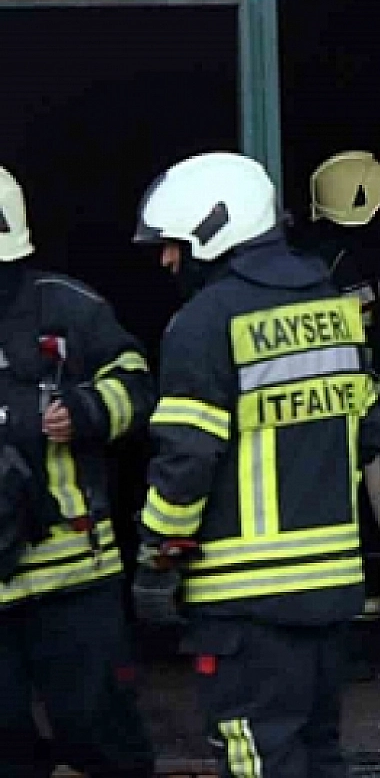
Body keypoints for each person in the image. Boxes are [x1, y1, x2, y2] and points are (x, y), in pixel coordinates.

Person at [131, 152, 380, 777]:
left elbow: (186, 461)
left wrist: (157, 559)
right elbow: (370, 434)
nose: (166, 260)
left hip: (244, 602)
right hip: (331, 592)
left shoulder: (201, 323)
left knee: (256, 759)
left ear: (214, 227)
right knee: (319, 754)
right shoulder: (334, 307)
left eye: (172, 245)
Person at [0, 165, 157, 778]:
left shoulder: (68, 306)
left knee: (101, 734)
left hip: (73, 572)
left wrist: (90, 410)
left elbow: (140, 386)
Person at [294, 151, 380, 679]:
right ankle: (354, 645)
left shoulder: (332, 261)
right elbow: (356, 345)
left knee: (367, 532)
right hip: (346, 420)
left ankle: (360, 639)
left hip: (357, 413)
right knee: (356, 533)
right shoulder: (341, 268)